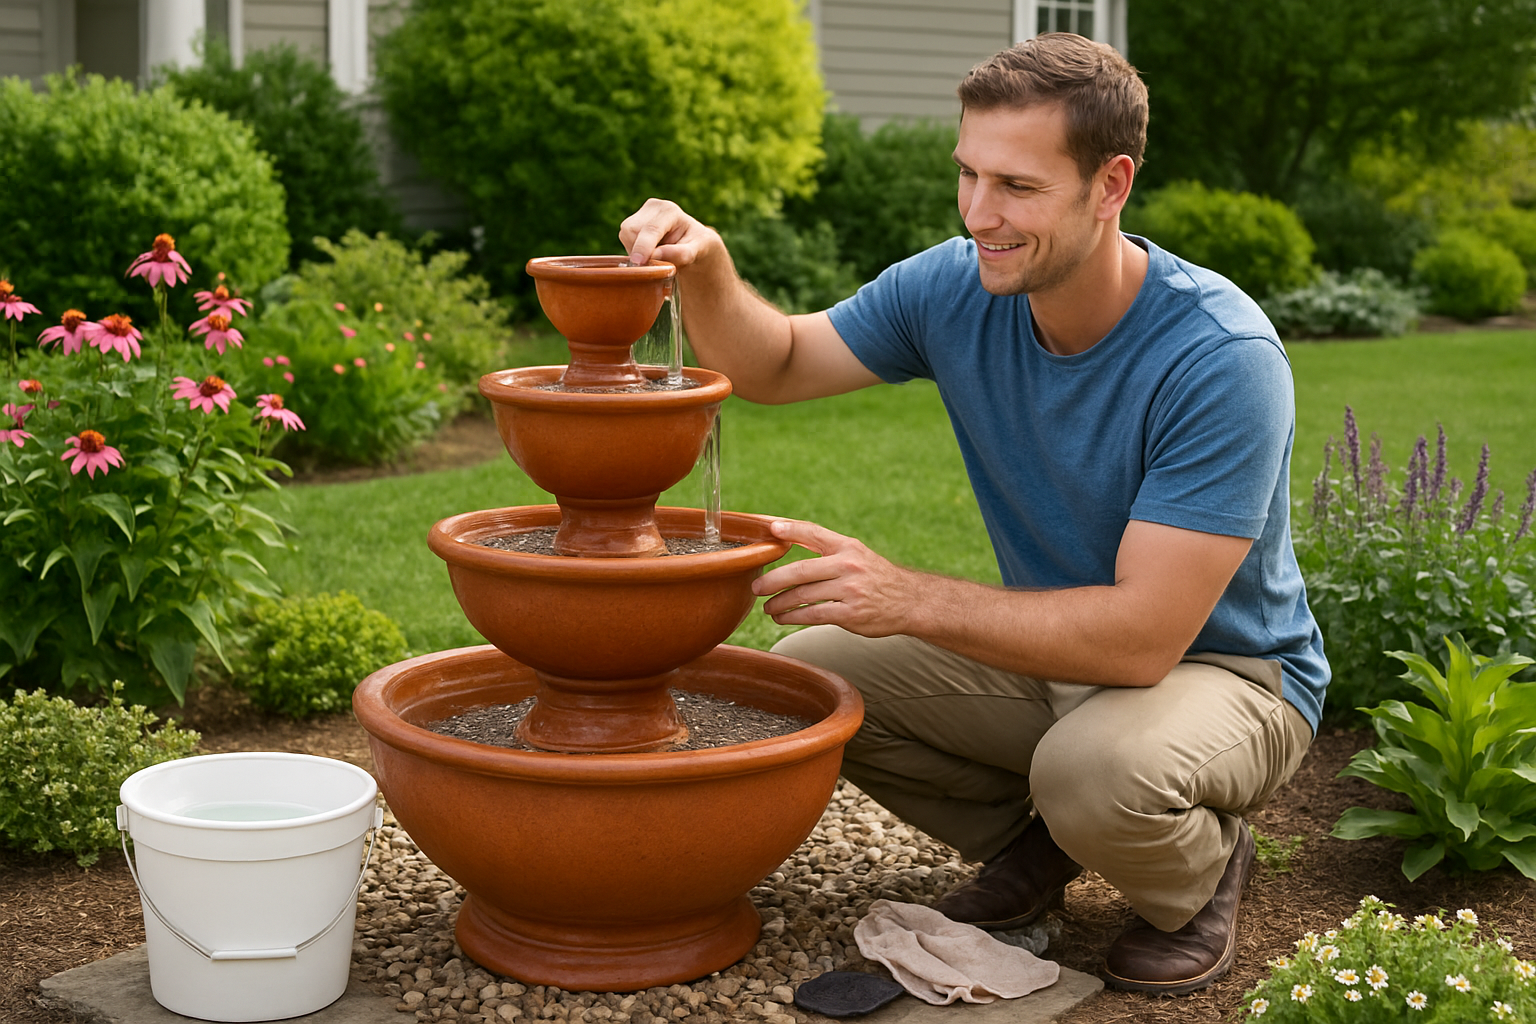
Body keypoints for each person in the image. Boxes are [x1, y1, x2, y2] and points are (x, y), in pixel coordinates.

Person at [619, 33, 1328, 995]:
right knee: (814, 679)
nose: (979, 213)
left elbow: (1142, 640)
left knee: (1094, 775)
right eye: (968, 173)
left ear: (1111, 185)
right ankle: (1045, 846)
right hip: (1063, 655)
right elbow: (775, 364)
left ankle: (1201, 868)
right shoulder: (955, 286)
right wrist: (705, 264)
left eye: (1017, 187)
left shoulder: (1219, 357)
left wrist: (909, 598)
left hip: (1228, 673)